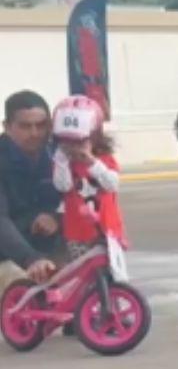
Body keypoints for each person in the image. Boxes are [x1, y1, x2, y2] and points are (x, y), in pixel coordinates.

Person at [50, 96, 126, 261]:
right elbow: (63, 186)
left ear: (93, 137)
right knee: (85, 276)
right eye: (67, 141)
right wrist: (62, 160)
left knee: (112, 276)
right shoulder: (63, 162)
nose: (74, 147)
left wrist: (91, 162)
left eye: (80, 141)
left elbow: (112, 184)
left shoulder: (104, 159)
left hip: (108, 230)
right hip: (78, 233)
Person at [0, 90, 61, 291]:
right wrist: (31, 258)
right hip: (7, 254)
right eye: (25, 126)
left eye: (41, 125)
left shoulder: (59, 155)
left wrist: (55, 217)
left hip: (44, 246)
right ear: (7, 127)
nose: (35, 133)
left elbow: (82, 199)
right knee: (24, 291)